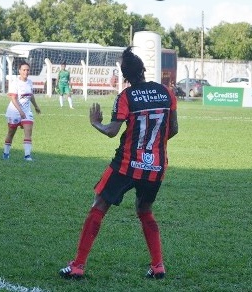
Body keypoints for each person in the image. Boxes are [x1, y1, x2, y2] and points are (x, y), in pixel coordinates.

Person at [59, 46, 179, 280]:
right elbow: (173, 129)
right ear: (143, 70)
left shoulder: (126, 96)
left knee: (99, 204)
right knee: (145, 210)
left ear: (125, 76)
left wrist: (96, 123)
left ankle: (78, 266)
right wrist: (151, 147)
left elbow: (112, 131)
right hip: (156, 166)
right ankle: (158, 266)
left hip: (126, 164)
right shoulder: (167, 93)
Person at [2, 62, 41, 161]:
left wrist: (36, 106)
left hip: (27, 111)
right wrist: (20, 111)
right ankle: (6, 153)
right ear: (19, 71)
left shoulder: (30, 82)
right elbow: (14, 99)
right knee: (11, 133)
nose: (26, 72)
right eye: (24, 70)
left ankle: (27, 155)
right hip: (14, 111)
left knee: (28, 131)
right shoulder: (15, 83)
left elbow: (30, 95)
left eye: (27, 70)